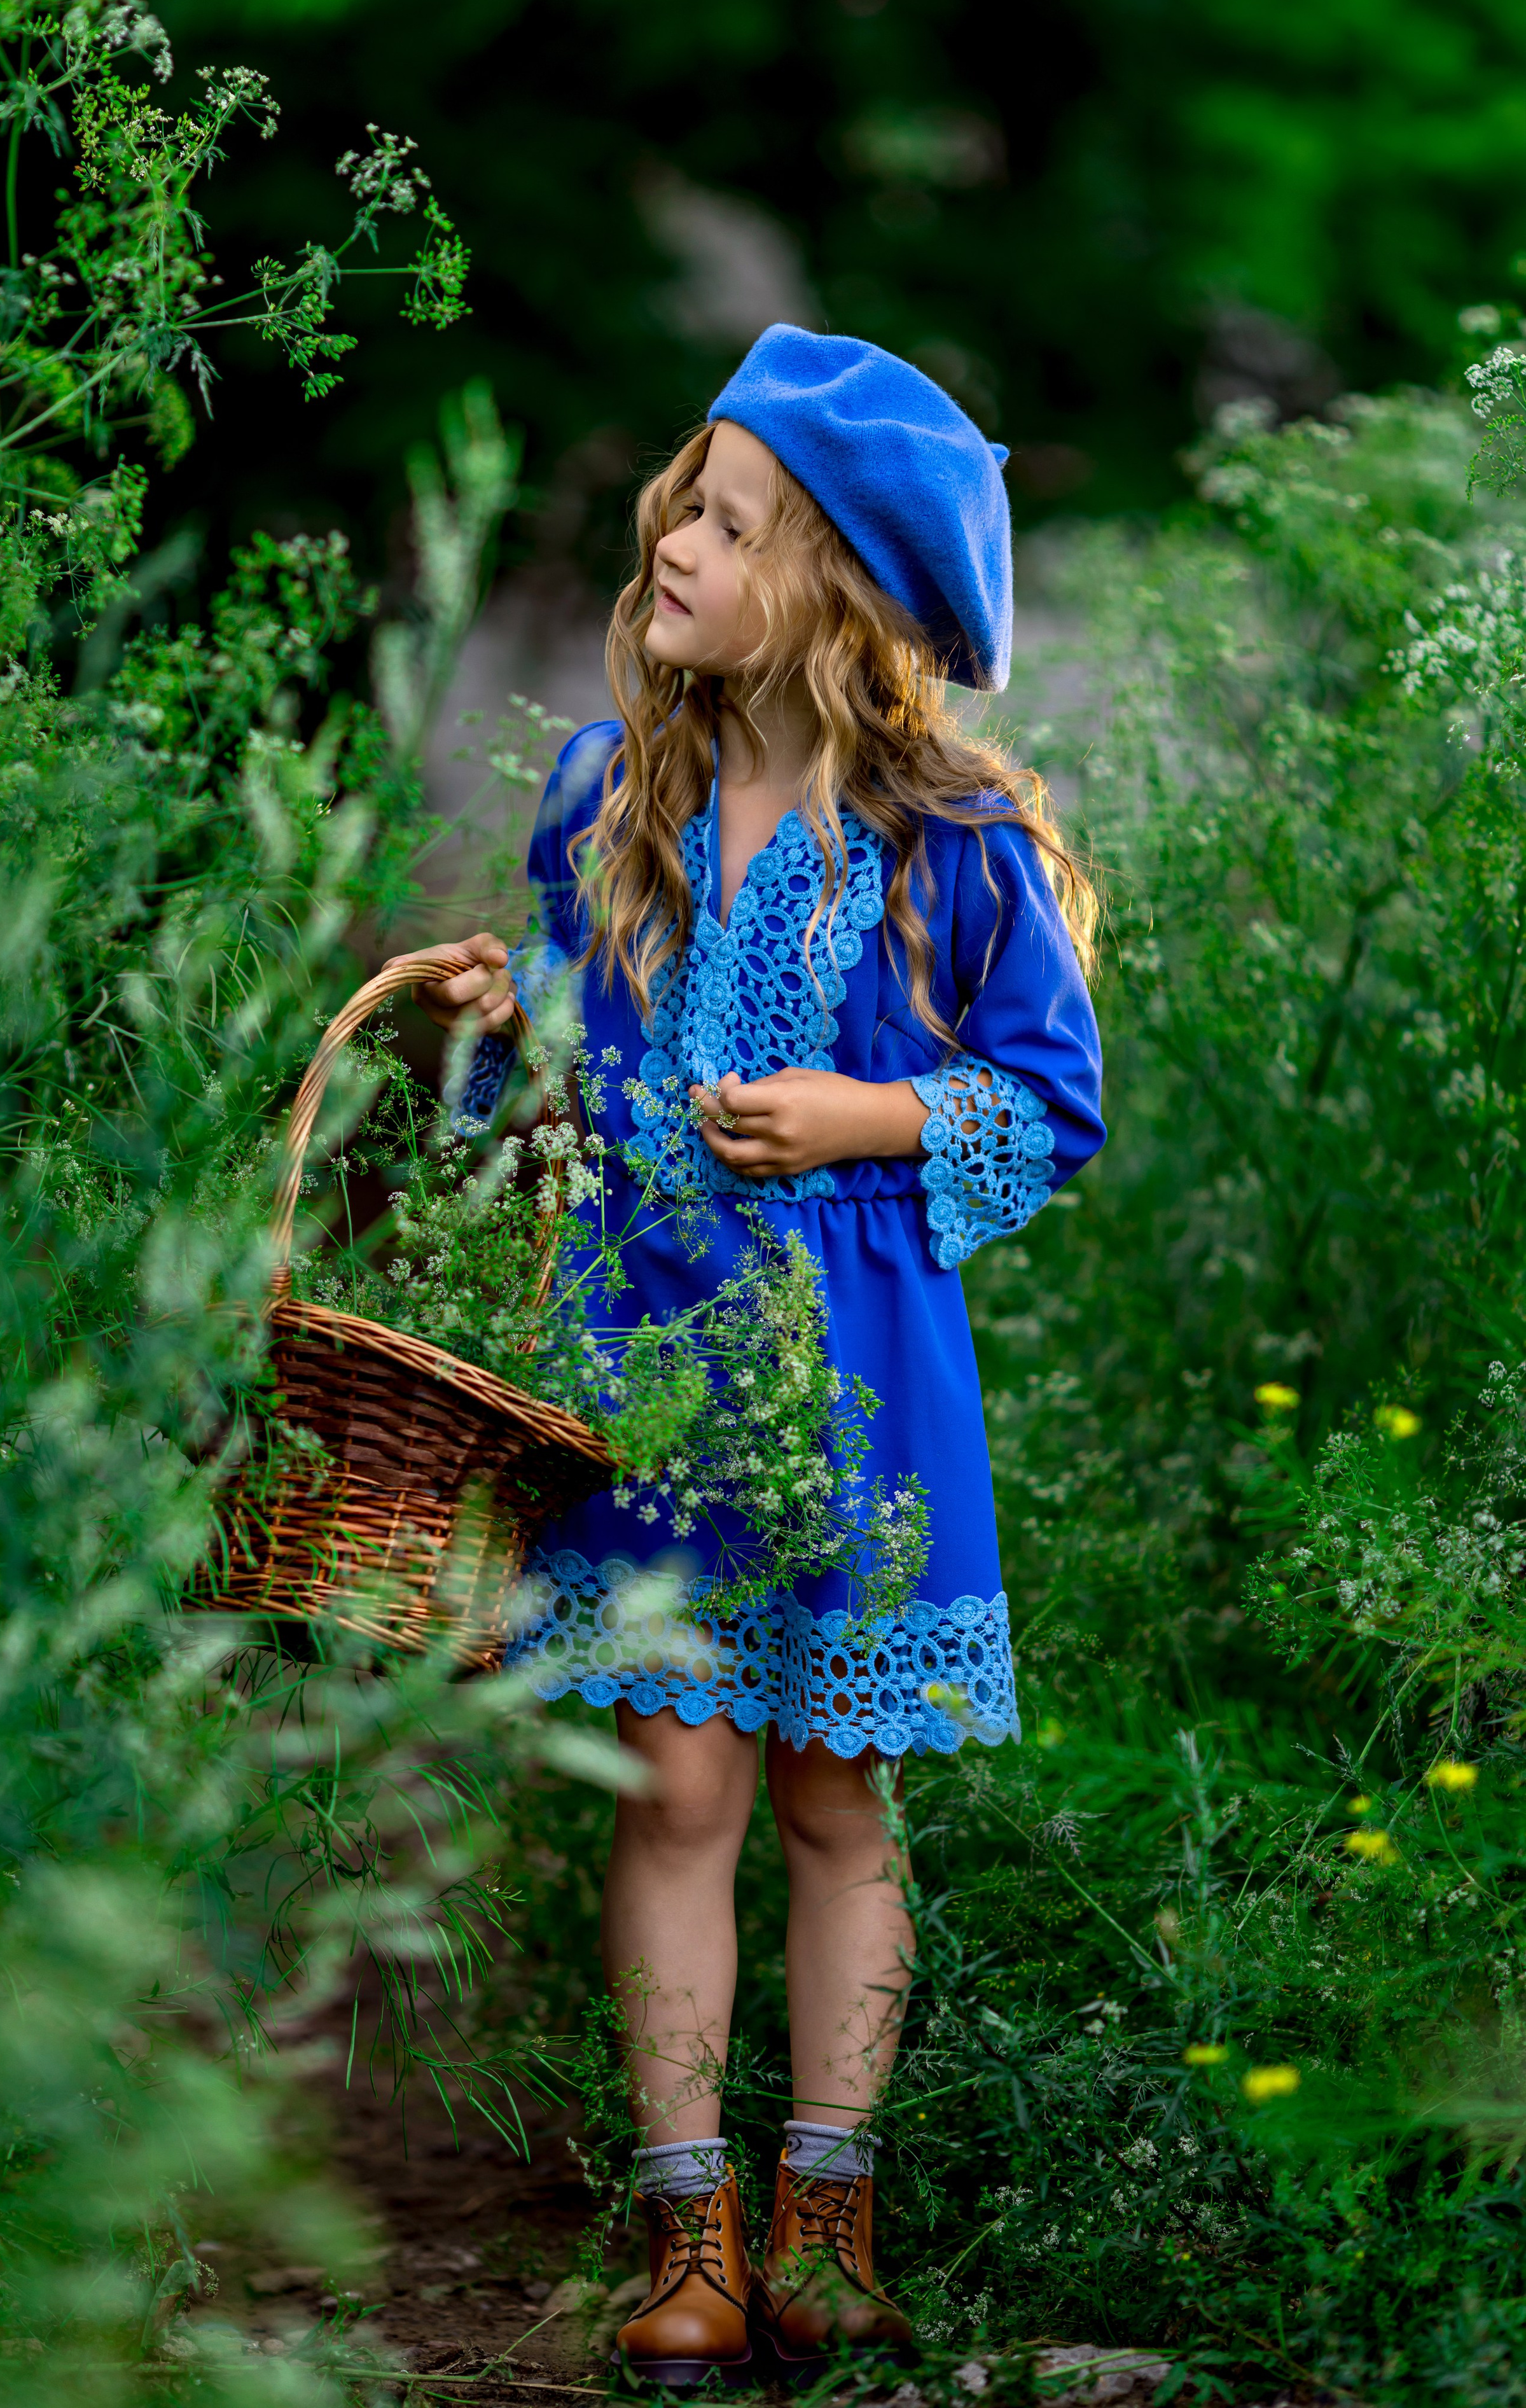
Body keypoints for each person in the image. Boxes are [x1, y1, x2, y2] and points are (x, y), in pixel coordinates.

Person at [399, 324, 1104, 2387]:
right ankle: (688, 2233)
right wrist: (495, 1020)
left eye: (729, 521)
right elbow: (557, 1058)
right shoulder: (612, 796)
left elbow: (1049, 1104)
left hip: (864, 1390)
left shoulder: (953, 843)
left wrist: (869, 1117)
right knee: (679, 1789)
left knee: (833, 1804)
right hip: (646, 1370)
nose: (675, 551)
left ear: (842, 588)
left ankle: (830, 2219)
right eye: (683, 511)